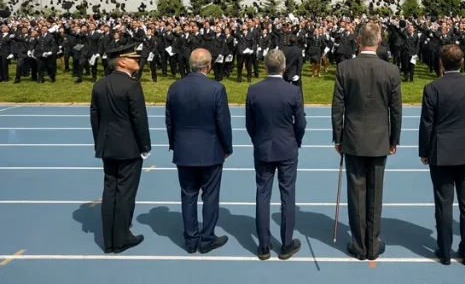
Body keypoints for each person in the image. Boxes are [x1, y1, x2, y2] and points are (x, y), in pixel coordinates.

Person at [331, 22, 403, 261]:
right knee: (375, 192)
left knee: (356, 192)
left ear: (358, 40)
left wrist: (338, 137)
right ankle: (371, 243)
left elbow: (337, 108)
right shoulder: (390, 70)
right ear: (379, 41)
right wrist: (394, 140)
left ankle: (360, 244)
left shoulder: (345, 68)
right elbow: (396, 111)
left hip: (352, 137)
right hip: (379, 138)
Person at [419, 44, 465, 266]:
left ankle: (445, 251)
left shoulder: (432, 88)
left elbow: (426, 124)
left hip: (441, 153)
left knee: (444, 204)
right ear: (462, 62)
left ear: (441, 62)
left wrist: (424, 151)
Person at [165, 48, 233, 254]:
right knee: (210, 196)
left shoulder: (174, 87)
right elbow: (223, 122)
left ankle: (191, 239)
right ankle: (207, 238)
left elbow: (170, 121)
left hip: (184, 150)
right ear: (209, 66)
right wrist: (227, 147)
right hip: (210, 150)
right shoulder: (216, 88)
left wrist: (174, 144)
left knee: (188, 195)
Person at [245, 49, 306, 261]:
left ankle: (263, 246)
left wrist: (258, 140)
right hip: (287, 147)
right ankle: (286, 244)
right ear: (284, 67)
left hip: (263, 147)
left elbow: (249, 124)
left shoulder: (254, 90)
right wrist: (296, 141)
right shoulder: (293, 91)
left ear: (264, 66)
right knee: (287, 194)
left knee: (263, 194)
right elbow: (301, 123)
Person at [89, 43, 151, 254]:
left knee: (110, 190)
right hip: (129, 146)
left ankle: (109, 240)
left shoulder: (99, 84)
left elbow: (95, 118)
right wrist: (145, 145)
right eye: (134, 58)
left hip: (107, 145)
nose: (138, 61)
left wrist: (100, 142)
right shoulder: (132, 85)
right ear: (122, 61)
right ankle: (122, 237)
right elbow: (139, 119)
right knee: (125, 193)